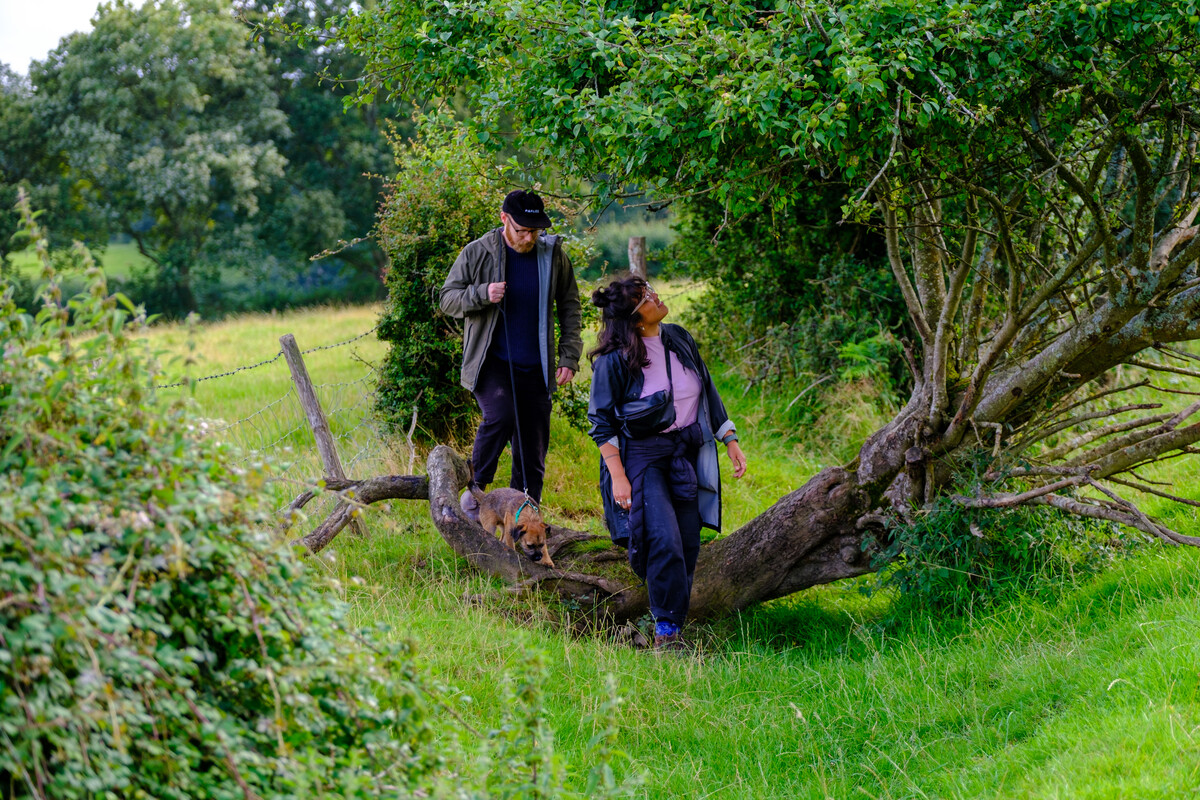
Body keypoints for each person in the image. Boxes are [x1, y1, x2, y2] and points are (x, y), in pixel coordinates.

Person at [587, 276, 747, 651]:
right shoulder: (614, 362)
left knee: (689, 542)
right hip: (641, 457)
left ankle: (674, 620)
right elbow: (601, 423)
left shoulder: (678, 337)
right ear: (634, 319)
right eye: (646, 298)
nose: (656, 298)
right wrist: (618, 477)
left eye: (651, 291)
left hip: (684, 451)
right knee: (663, 539)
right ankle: (666, 633)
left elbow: (707, 388)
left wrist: (730, 439)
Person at [440, 189, 582, 514]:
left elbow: (570, 306)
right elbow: (447, 298)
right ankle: (472, 500)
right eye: (522, 230)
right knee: (500, 414)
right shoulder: (479, 252)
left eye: (535, 230)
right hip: (491, 362)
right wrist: (481, 294)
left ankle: (523, 516)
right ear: (504, 219)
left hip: (536, 366)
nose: (529, 237)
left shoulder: (553, 255)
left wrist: (569, 356)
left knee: (532, 448)